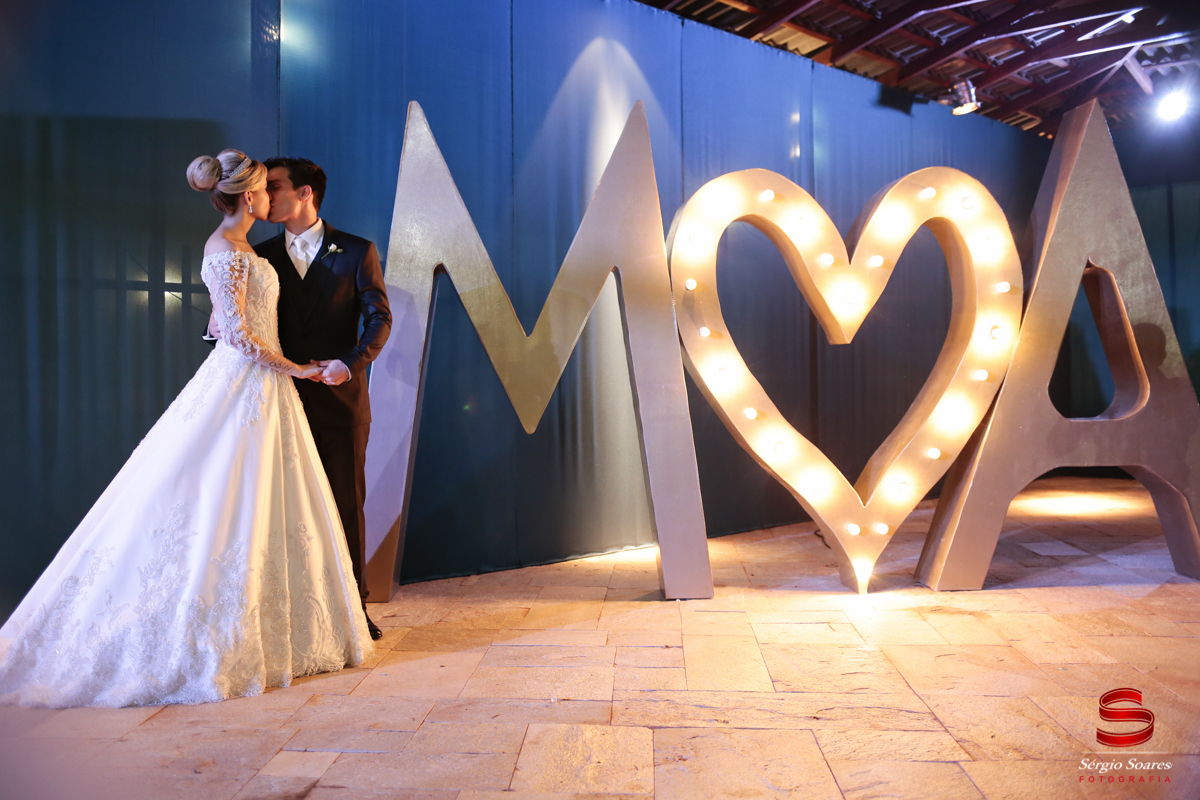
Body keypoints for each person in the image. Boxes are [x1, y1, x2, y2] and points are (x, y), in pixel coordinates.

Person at [0, 150, 373, 708]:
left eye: (277, 187)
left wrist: (235, 326)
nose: (271, 196)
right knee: (223, 500)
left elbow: (234, 319)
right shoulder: (229, 248)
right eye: (264, 189)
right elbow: (243, 338)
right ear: (250, 197)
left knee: (278, 503)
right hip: (253, 380)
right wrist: (294, 366)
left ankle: (294, 624)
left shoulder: (253, 247)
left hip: (271, 389)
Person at [231, 157, 391, 640]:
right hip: (278, 402)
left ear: (305, 193)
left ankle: (353, 611)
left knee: (346, 506)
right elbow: (234, 318)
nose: (263, 195)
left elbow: (379, 318)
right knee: (280, 509)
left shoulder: (357, 250)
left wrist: (351, 363)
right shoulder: (259, 256)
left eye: (274, 187)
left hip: (339, 402)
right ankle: (290, 617)